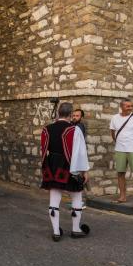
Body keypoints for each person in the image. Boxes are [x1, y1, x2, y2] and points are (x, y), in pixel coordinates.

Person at [41, 102, 90, 242]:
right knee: (76, 196)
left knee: (54, 198)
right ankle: (75, 230)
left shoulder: (47, 129)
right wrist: (84, 171)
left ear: (58, 113)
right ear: (70, 115)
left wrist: (45, 167)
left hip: (52, 165)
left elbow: (43, 150)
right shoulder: (74, 130)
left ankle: (56, 232)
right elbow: (81, 152)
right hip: (69, 164)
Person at [109, 99, 133, 209]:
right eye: (127, 106)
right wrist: (121, 143)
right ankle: (122, 196)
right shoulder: (114, 118)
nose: (130, 108)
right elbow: (113, 133)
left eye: (131, 106)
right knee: (120, 173)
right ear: (121, 106)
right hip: (120, 149)